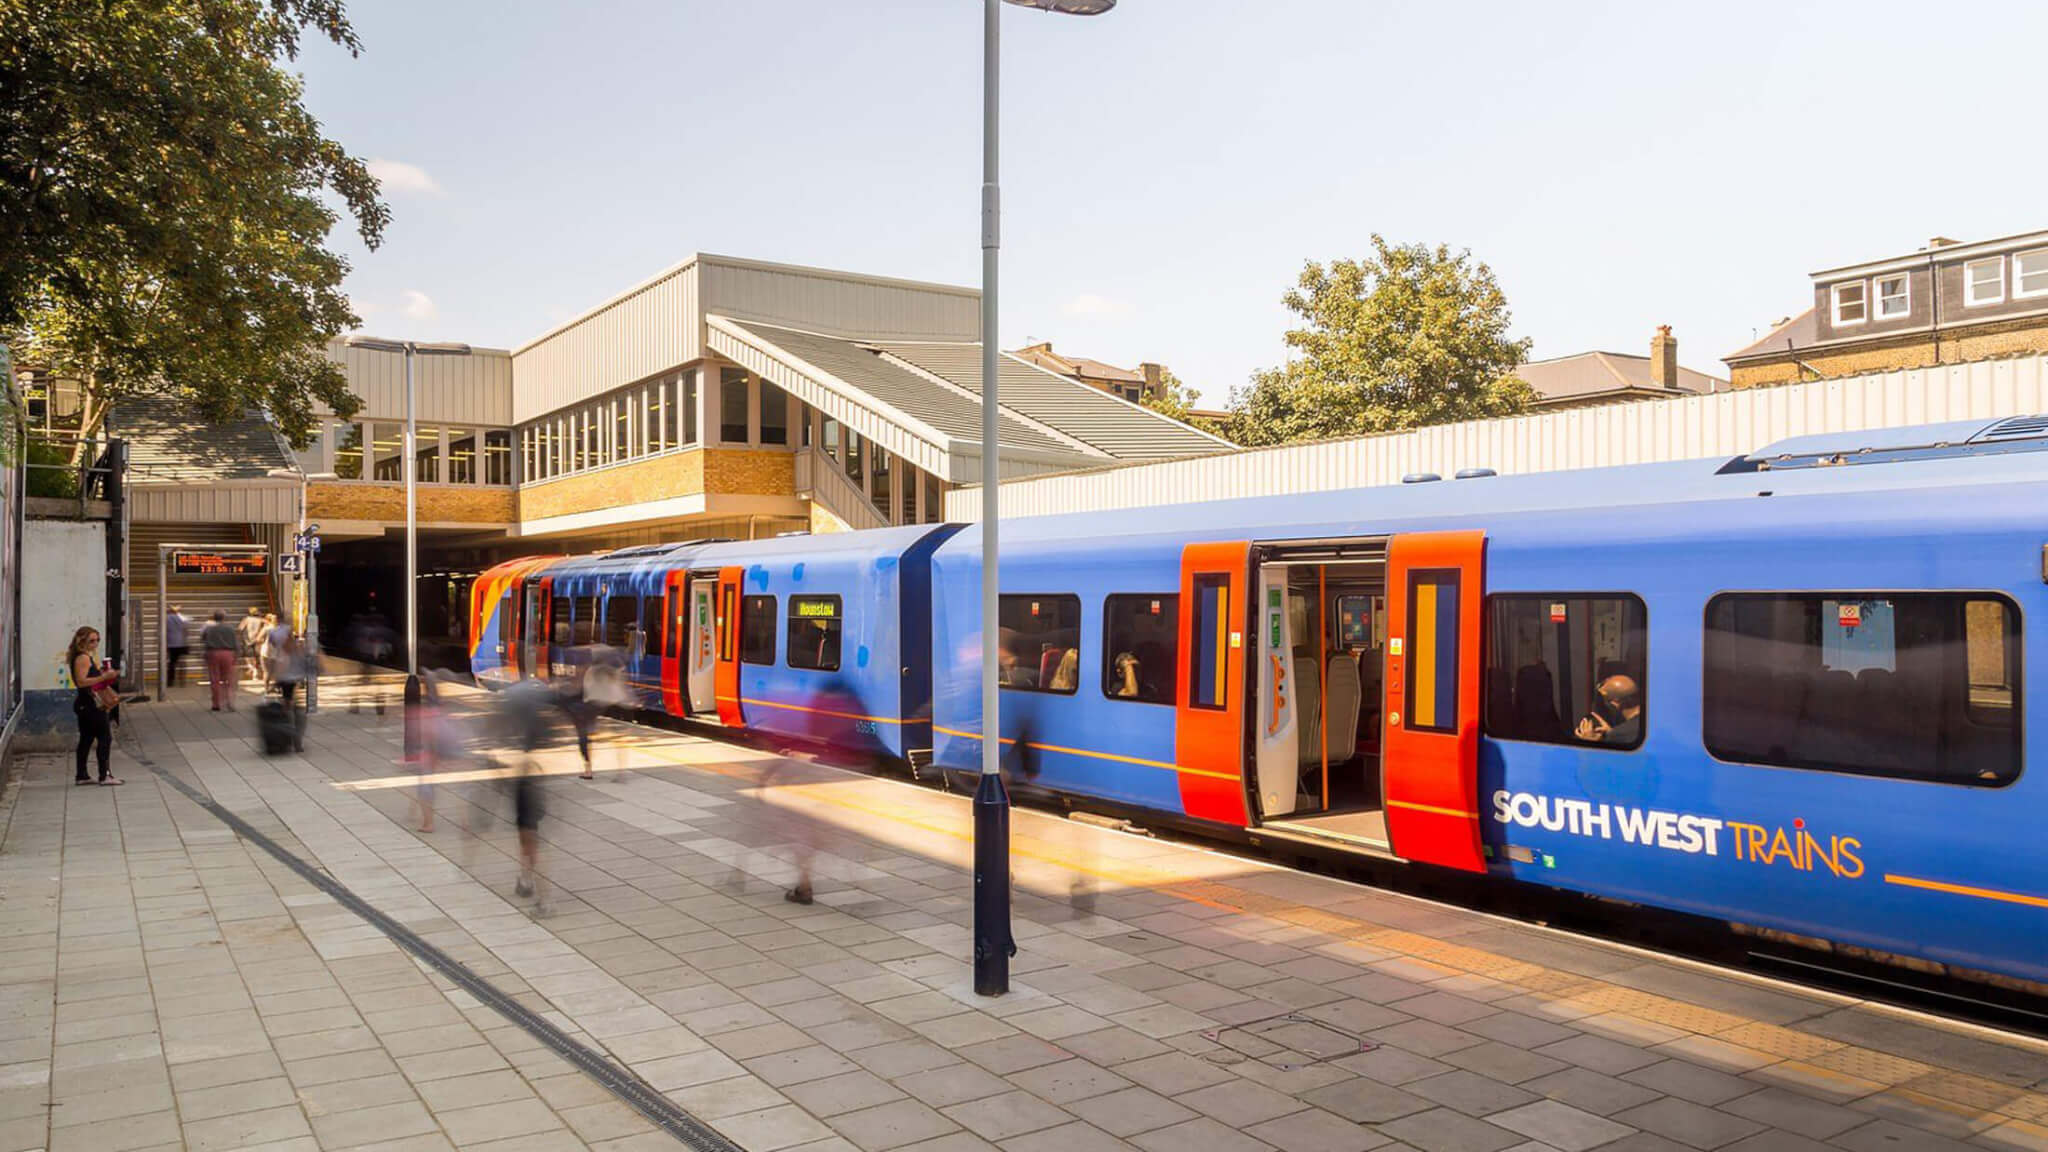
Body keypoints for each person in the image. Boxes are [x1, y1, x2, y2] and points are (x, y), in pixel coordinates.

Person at [68, 627, 122, 786]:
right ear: (81, 641)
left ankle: (82, 775)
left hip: (85, 704)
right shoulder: (83, 658)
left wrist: (104, 676)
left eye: (97, 640)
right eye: (92, 640)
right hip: (90, 705)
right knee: (105, 737)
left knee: (86, 739)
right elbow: (81, 681)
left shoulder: (82, 657)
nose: (95, 643)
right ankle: (104, 775)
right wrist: (104, 676)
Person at [579, 646, 628, 781]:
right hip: (614, 705)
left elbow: (586, 692)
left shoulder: (591, 671)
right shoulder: (614, 671)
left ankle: (588, 770)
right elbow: (621, 689)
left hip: (594, 706)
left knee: (587, 739)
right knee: (618, 741)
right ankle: (620, 773)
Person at [1573, 674, 1643, 746]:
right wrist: (1611, 733)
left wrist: (1589, 743)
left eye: (1604, 702)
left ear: (1615, 703)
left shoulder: (1620, 734)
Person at [201, 611, 241, 711]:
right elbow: (236, 643)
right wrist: (236, 655)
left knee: (215, 679)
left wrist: (205, 655)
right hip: (228, 654)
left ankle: (216, 704)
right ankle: (229, 702)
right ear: (224, 618)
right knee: (229, 679)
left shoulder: (209, 629)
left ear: (214, 618)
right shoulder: (230, 629)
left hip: (213, 653)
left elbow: (204, 641)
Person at [238, 607, 268, 684]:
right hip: (257, 640)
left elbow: (240, 628)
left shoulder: (246, 619)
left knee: (247, 656)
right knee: (255, 657)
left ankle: (251, 668)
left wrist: (242, 636)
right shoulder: (261, 620)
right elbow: (268, 624)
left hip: (248, 640)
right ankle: (255, 675)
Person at [164, 606, 189, 688]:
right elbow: (186, 630)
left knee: (172, 663)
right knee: (182, 662)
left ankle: (170, 681)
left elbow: (164, 629)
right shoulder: (183, 618)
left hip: (172, 644)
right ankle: (182, 681)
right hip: (182, 643)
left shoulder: (167, 618)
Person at [261, 613, 287, 691]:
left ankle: (266, 689)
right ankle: (278, 688)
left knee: (267, 671)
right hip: (278, 652)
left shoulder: (266, 628)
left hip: (267, 651)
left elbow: (258, 638)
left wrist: (263, 641)